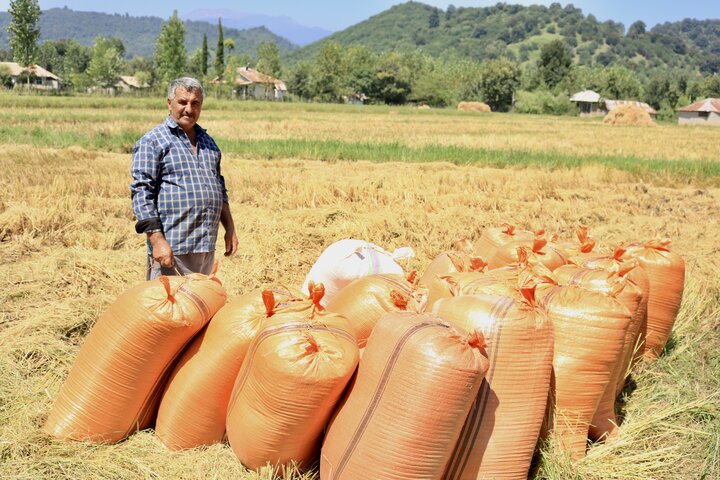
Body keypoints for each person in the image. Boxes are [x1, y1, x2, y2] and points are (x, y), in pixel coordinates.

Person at [130, 77, 238, 279]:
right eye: (183, 102)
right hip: (172, 248)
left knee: (196, 306)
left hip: (205, 245)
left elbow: (219, 189)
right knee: (169, 307)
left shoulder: (209, 142)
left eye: (195, 103)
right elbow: (141, 193)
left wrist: (229, 228)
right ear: (169, 103)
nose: (189, 108)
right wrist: (157, 241)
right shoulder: (153, 141)